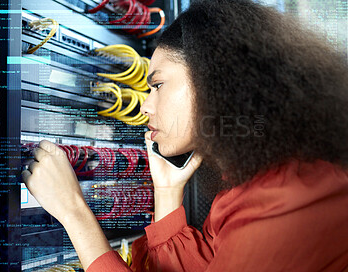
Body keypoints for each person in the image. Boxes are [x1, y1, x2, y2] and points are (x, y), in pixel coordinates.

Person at [22, 0, 348, 271]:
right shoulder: (254, 191)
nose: (146, 106)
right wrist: (166, 191)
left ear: (217, 83)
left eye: (158, 85)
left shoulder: (285, 203)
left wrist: (74, 211)